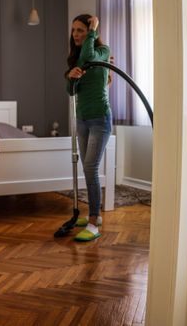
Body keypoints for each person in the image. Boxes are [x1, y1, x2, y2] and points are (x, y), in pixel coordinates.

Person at [65, 14, 112, 242]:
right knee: (86, 169)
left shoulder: (102, 52)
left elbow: (89, 56)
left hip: (100, 120)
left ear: (92, 31)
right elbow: (71, 92)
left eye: (81, 30)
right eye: (74, 30)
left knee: (91, 169)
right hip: (82, 120)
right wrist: (71, 77)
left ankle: (94, 222)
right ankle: (96, 215)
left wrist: (93, 30)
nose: (76, 34)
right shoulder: (77, 58)